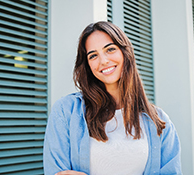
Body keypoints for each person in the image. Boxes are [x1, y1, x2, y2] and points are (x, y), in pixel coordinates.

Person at [44, 21, 182, 175]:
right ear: (87, 65)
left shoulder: (160, 122)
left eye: (110, 49)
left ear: (125, 52)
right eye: (93, 55)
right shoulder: (65, 111)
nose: (103, 61)